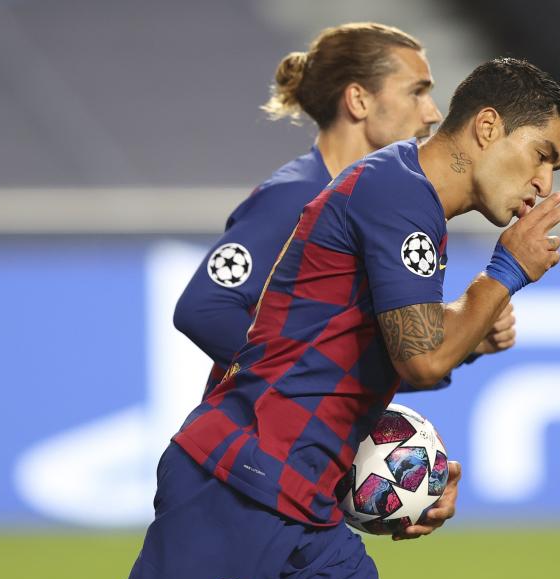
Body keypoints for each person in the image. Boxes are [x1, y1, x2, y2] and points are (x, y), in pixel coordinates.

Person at [107, 57, 560, 579]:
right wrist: (507, 270)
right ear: (487, 127)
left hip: (307, 497)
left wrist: (412, 477)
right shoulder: (398, 192)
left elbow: (344, 357)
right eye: (543, 155)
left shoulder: (409, 199)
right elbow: (422, 357)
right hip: (244, 488)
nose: (546, 184)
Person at [173, 22, 515, 396]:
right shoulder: (296, 193)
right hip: (252, 447)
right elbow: (204, 309)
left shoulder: (379, 206)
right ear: (358, 100)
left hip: (301, 449)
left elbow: (348, 366)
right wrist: (296, 387)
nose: (432, 113)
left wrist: (467, 344)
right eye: (416, 92)